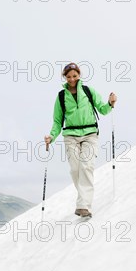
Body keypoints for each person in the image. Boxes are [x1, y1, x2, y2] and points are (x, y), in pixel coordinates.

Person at [44, 62, 117, 218]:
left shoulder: (88, 91)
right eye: (69, 77)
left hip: (90, 133)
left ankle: (84, 206)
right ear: (64, 77)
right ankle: (84, 200)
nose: (72, 79)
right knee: (75, 169)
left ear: (79, 75)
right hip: (70, 136)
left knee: (86, 166)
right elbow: (57, 121)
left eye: (75, 76)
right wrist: (51, 136)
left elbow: (103, 109)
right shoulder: (61, 96)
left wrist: (110, 103)